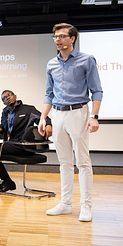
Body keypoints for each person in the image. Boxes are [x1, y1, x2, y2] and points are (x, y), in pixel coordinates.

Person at [40, 23, 103, 222]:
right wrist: (43, 117)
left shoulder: (87, 60)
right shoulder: (51, 64)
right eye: (55, 37)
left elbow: (97, 90)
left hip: (79, 113)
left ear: (72, 38)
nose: (57, 40)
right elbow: (49, 93)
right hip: (57, 115)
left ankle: (86, 206)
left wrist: (94, 116)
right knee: (64, 162)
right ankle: (66, 204)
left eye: (62, 36)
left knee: (83, 162)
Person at [0, 90, 52, 192]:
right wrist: (0, 129)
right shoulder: (5, 112)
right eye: (4, 98)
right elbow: (4, 129)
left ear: (15, 96)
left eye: (9, 95)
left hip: (23, 145)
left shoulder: (28, 109)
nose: (7, 98)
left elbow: (43, 119)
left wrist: (48, 124)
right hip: (11, 144)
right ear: (3, 102)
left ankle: (8, 182)